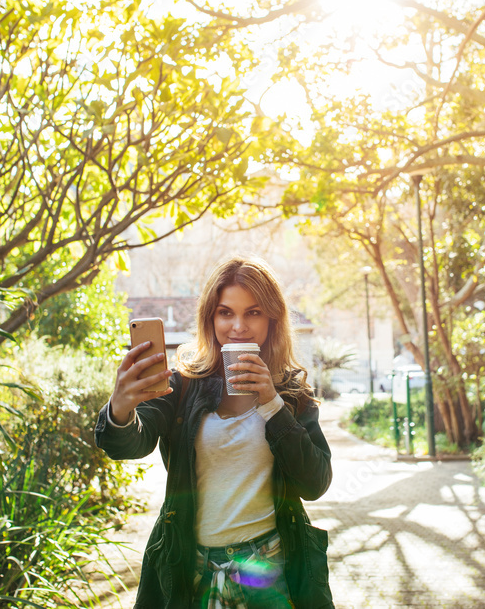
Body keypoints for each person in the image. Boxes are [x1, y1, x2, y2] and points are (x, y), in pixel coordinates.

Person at [94, 257, 334, 609]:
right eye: (225, 313)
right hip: (192, 569)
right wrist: (120, 407)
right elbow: (129, 443)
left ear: (271, 319)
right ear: (210, 318)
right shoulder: (181, 386)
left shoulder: (291, 394)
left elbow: (315, 483)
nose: (238, 326)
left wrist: (271, 403)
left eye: (253, 313)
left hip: (270, 566)